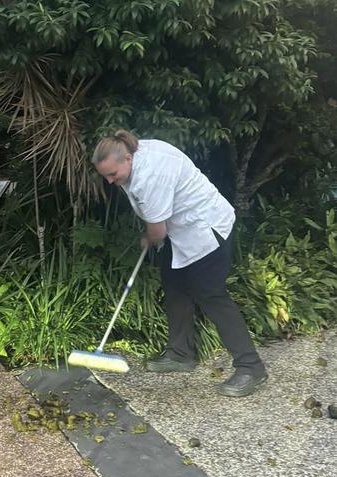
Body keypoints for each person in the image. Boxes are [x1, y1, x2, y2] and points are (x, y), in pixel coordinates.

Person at [92, 129, 267, 397]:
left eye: (112, 174)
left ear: (127, 158)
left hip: (207, 229)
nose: (110, 181)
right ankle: (180, 353)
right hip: (181, 231)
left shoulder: (151, 176)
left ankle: (251, 367)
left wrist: (148, 239)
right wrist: (153, 235)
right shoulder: (135, 155)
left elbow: (157, 231)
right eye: (105, 176)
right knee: (174, 287)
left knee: (211, 295)